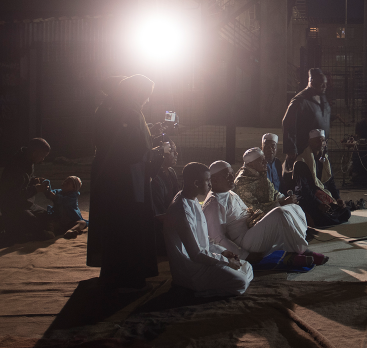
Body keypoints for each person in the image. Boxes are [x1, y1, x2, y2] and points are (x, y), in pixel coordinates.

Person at [86, 74, 161, 290]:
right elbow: (130, 147)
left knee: (115, 224)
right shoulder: (127, 110)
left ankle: (116, 272)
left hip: (114, 176)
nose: (147, 100)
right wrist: (154, 153)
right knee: (130, 223)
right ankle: (130, 273)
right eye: (146, 95)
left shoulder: (111, 107)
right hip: (126, 178)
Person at [202, 160, 322, 267]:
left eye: (232, 174)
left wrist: (255, 218)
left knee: (292, 207)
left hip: (252, 230)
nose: (231, 178)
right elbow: (218, 238)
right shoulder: (214, 203)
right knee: (279, 213)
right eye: (227, 176)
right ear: (214, 180)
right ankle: (301, 250)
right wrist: (245, 255)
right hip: (244, 242)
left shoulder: (229, 193)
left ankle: (297, 247)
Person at [164, 162, 254, 296]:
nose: (210, 185)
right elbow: (195, 255)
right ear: (196, 183)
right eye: (207, 181)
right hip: (192, 270)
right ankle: (196, 292)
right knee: (240, 281)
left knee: (247, 266)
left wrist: (224, 252)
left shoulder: (192, 199)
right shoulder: (181, 210)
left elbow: (203, 239)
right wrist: (226, 262)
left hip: (204, 260)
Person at [0, 138, 54, 241]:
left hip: (25, 203)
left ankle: (13, 223)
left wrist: (35, 180)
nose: (43, 159)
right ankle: (2, 221)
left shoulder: (29, 160)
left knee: (47, 217)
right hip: (12, 205)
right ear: (35, 153)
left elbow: (27, 180)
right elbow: (14, 195)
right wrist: (36, 189)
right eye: (43, 156)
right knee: (32, 227)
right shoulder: (16, 167)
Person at [288, 130, 351, 227]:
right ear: (310, 142)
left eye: (323, 141)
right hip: (307, 198)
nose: (321, 143)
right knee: (323, 218)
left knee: (346, 212)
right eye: (318, 141)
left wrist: (338, 198)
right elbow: (304, 189)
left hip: (322, 196)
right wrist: (318, 204)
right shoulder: (301, 162)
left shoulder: (324, 159)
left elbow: (330, 182)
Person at [281, 68, 331, 176]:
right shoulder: (300, 100)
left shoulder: (322, 98)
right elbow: (288, 123)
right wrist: (291, 148)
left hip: (319, 147)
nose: (325, 87)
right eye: (322, 84)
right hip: (304, 148)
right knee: (305, 177)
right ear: (312, 82)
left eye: (325, 84)